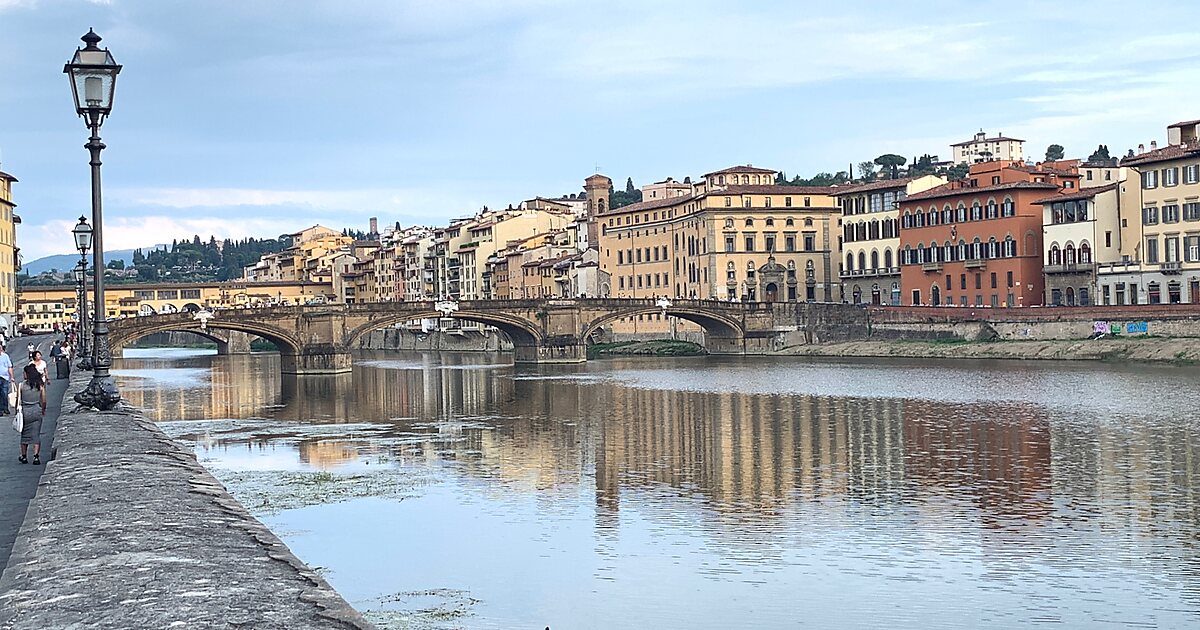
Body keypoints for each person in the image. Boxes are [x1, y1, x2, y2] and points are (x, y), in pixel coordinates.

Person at [18, 364, 46, 466]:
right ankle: (36, 456)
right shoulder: (40, 385)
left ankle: (24, 456)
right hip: (36, 410)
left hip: (25, 411)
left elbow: (18, 400)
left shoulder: (21, 385)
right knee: (36, 434)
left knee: (24, 434)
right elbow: (43, 400)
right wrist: (43, 409)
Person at [0, 343, 12, 415]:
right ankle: (1, 410)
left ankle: (5, 408)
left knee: (4, 393)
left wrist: (12, 377)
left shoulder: (5, 356)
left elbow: (9, 366)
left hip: (5, 377)